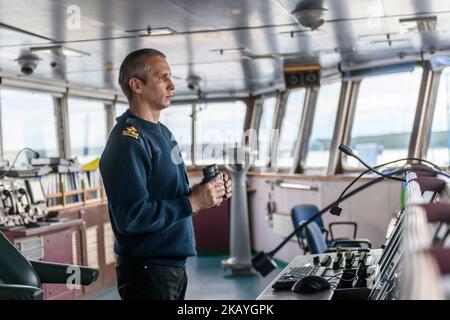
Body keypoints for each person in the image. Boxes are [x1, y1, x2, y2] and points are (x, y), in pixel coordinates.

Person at [99, 48, 232, 300]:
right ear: (136, 85)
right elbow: (132, 217)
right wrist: (193, 202)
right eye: (163, 77)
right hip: (147, 272)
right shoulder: (128, 142)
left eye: (170, 77)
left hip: (171, 267)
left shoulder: (162, 133)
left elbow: (170, 193)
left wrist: (207, 192)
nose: (172, 85)